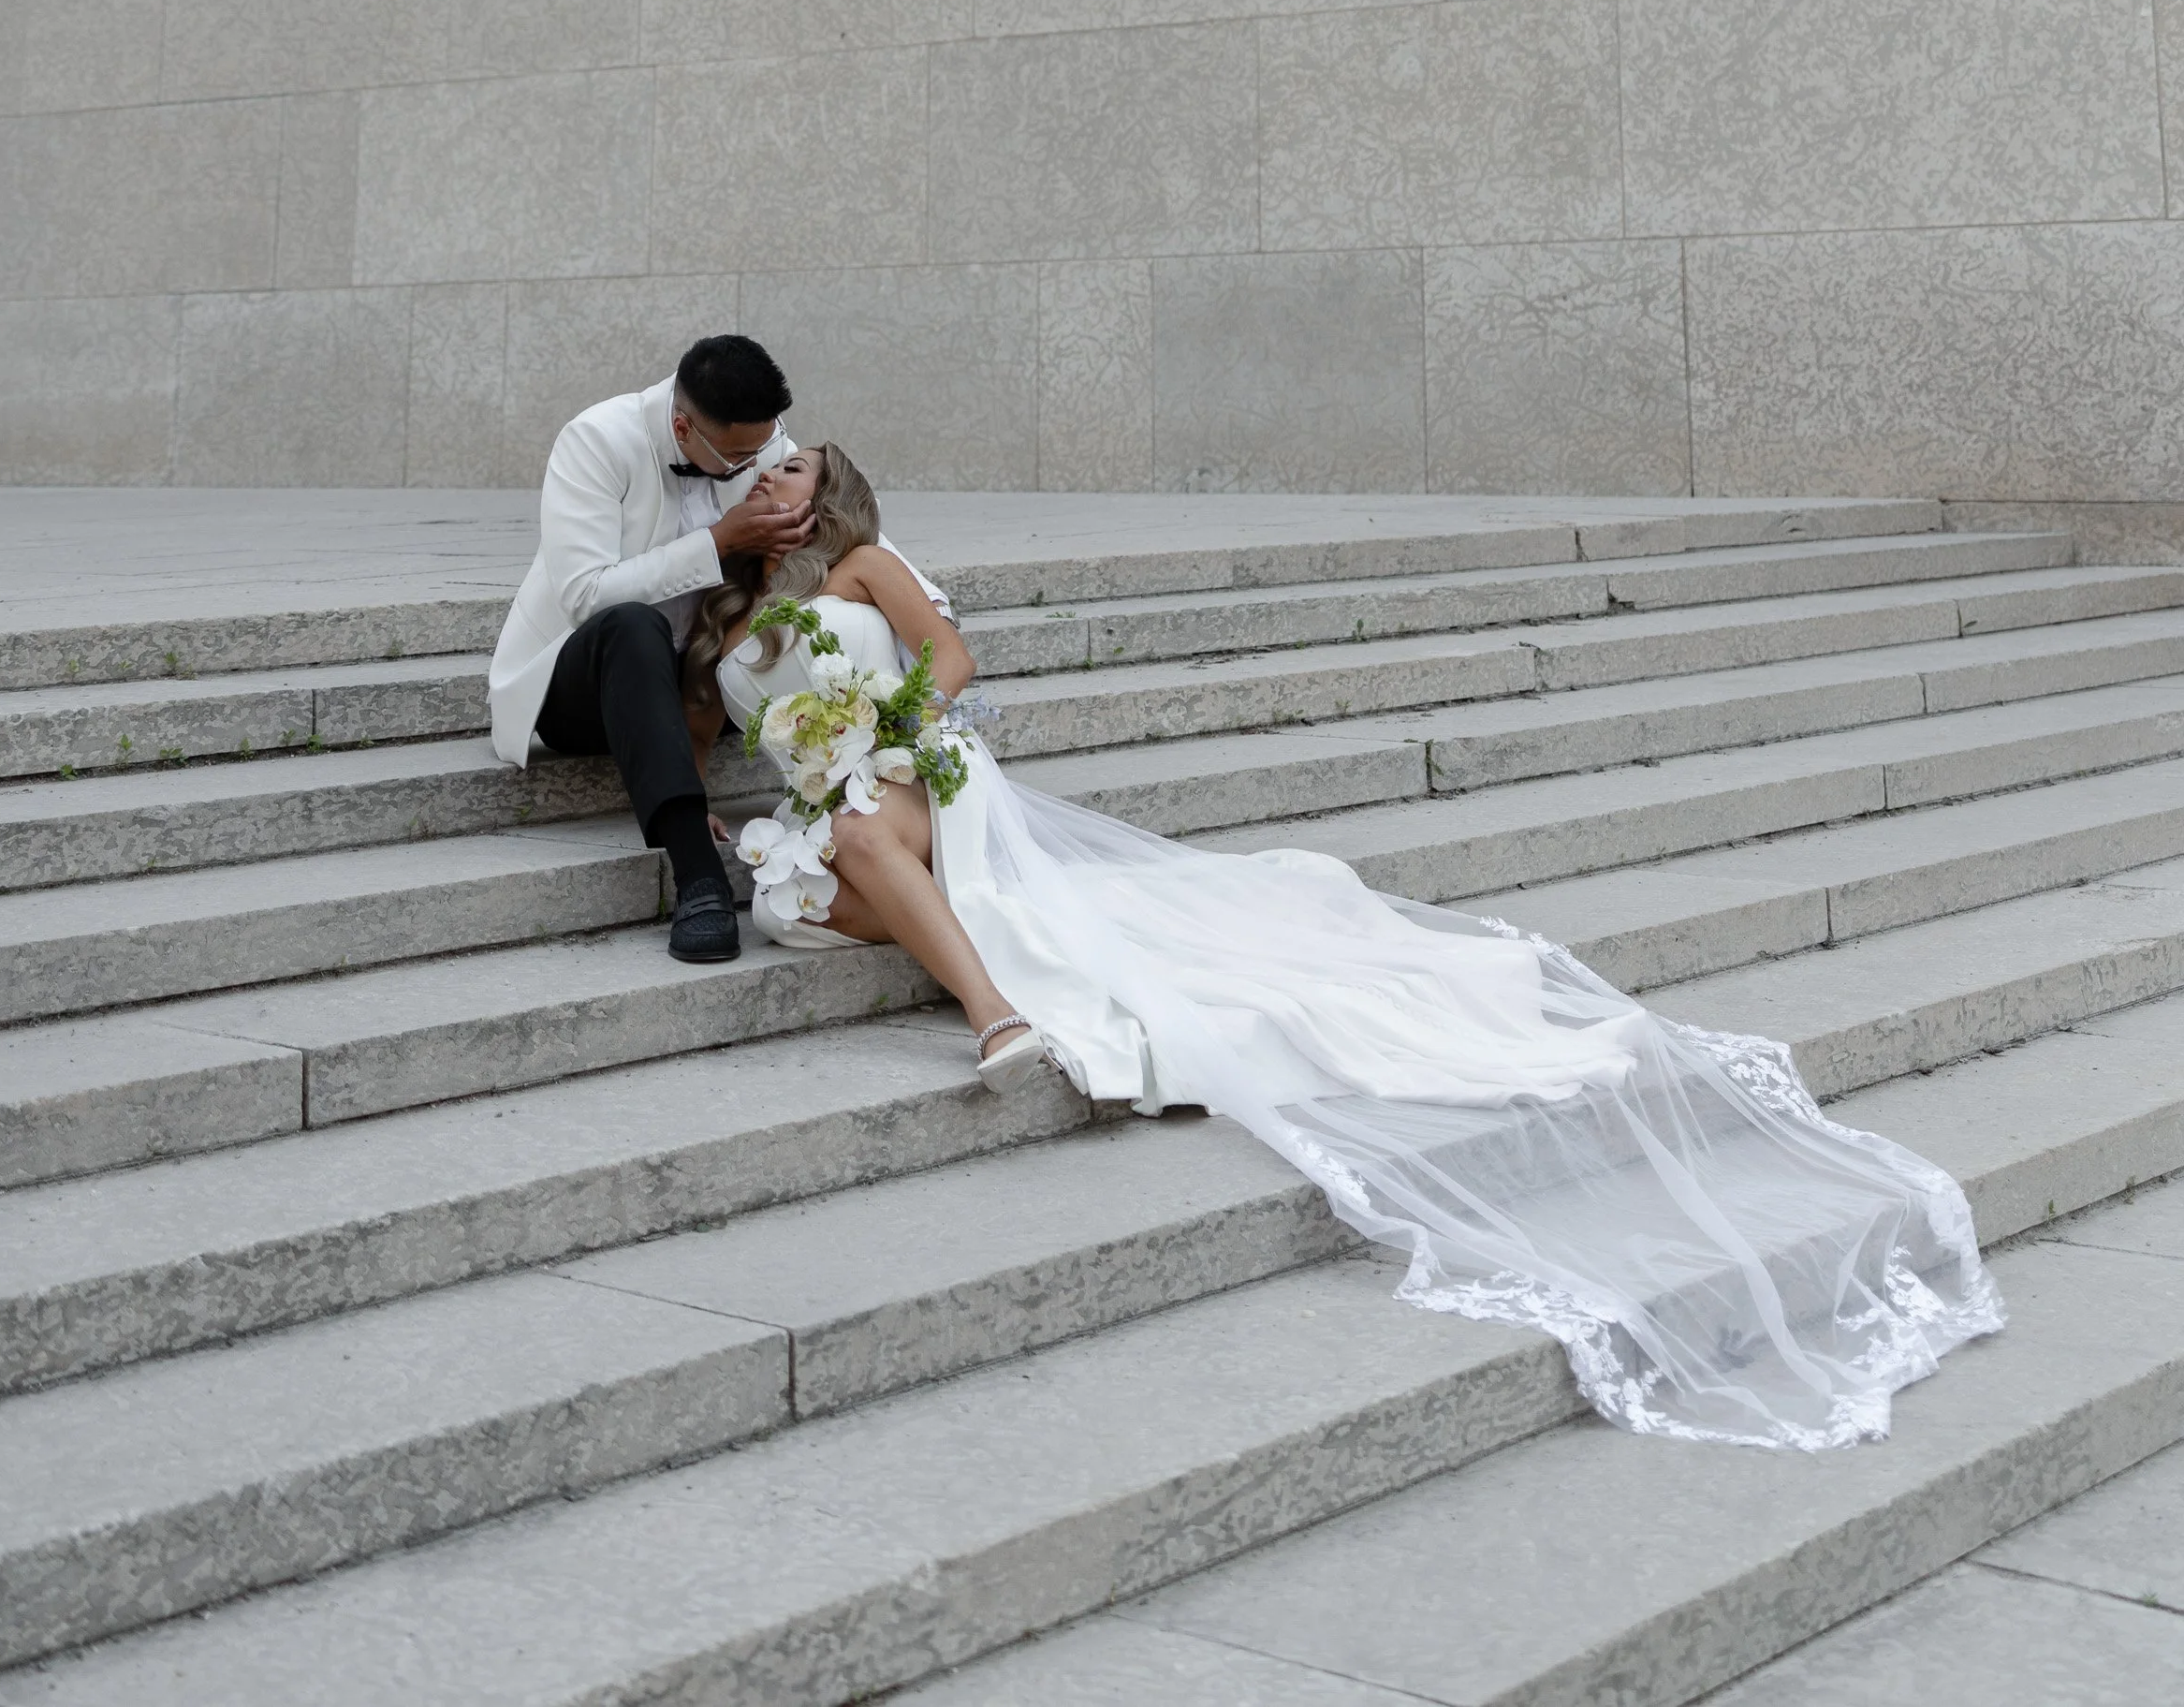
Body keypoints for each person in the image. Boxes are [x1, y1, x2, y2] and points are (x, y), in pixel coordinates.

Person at [707, 441, 2006, 1453]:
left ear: (834, 492)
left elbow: (953, 654)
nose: (778, 475)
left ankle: (999, 1015)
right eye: (765, 465)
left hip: (912, 778)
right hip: (818, 813)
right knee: (811, 887)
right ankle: (967, 968)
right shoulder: (737, 600)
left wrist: (879, 721)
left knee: (876, 835)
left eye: (798, 466)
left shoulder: (864, 566)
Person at [487, 334, 813, 964]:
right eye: (741, 458)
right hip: (579, 683)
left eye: (767, 448)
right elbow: (585, 595)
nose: (759, 467)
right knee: (631, 625)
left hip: (701, 681)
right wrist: (718, 542)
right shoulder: (597, 440)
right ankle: (699, 881)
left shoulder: (761, 440)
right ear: (684, 426)